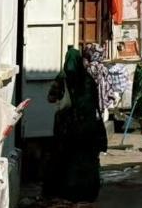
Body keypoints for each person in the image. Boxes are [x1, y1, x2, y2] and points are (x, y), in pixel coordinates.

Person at [43, 46, 108, 204]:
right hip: (87, 128)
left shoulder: (62, 79)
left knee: (65, 159)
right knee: (87, 160)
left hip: (67, 129)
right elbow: (96, 102)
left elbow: (51, 98)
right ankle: (87, 192)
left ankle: (66, 191)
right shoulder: (88, 79)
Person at [82, 43, 115, 121]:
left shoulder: (86, 69)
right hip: (102, 106)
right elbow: (109, 87)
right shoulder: (104, 69)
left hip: (88, 106)